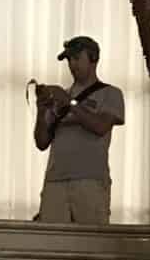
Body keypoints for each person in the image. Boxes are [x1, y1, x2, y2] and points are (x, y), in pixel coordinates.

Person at [33, 34, 123, 226]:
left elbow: (100, 126)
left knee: (91, 241)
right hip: (55, 180)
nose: (72, 64)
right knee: (52, 240)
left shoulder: (110, 93)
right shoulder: (59, 97)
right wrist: (41, 111)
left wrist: (69, 102)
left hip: (91, 180)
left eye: (76, 58)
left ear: (93, 59)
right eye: (69, 60)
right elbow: (41, 142)